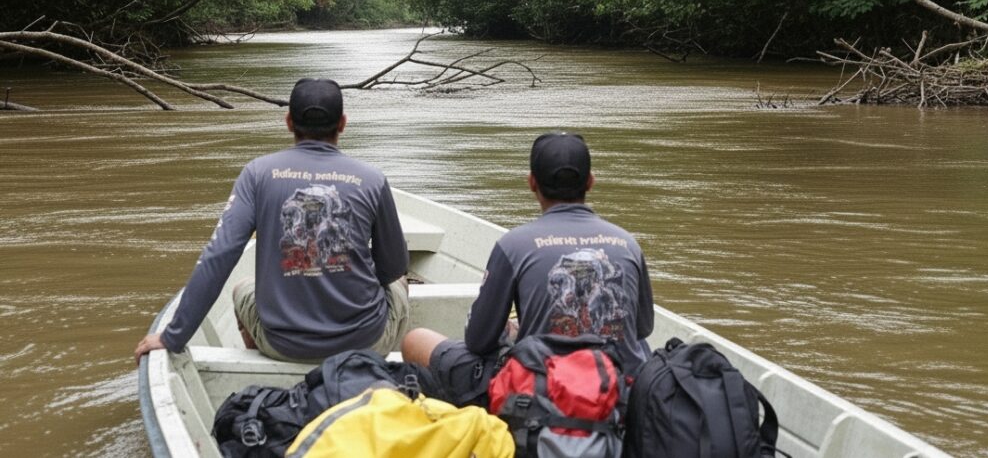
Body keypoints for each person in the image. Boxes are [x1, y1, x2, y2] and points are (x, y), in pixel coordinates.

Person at [135, 78, 410, 365]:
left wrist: (173, 337)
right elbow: (393, 268)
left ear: (289, 121)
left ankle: (267, 377)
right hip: (364, 342)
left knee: (243, 288)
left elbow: (220, 254)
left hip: (282, 345)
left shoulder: (257, 174)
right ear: (342, 123)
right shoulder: (372, 179)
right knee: (400, 282)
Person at [402, 131, 654, 406]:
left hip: (538, 395)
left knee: (416, 340)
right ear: (591, 182)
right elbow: (642, 329)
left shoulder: (513, 245)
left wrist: (514, 332)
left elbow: (478, 342)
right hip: (617, 395)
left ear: (532, 182)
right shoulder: (627, 243)